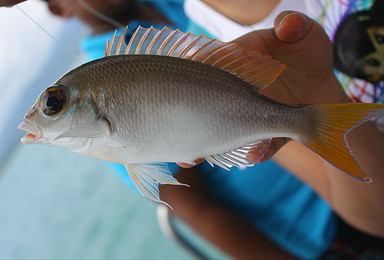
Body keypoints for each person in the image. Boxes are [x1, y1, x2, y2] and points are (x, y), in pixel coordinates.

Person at [5, 1, 384, 259]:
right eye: (53, 106)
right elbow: (198, 211)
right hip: (321, 233)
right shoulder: (95, 66)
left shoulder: (176, 8)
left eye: (53, 104)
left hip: (351, 180)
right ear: (58, 7)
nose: (49, 110)